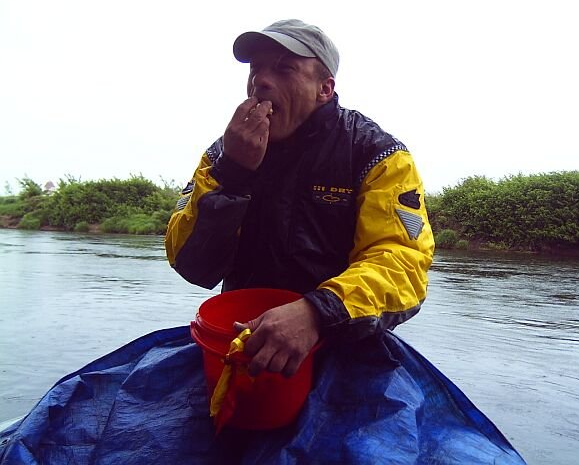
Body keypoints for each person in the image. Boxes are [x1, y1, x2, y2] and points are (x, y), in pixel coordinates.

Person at [164, 19, 435, 379]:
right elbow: (190, 262)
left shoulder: (375, 153)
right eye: (256, 68)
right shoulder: (223, 155)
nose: (261, 80)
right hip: (244, 345)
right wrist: (233, 174)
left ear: (325, 88)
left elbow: (402, 263)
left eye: (284, 68)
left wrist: (317, 313)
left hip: (342, 349)